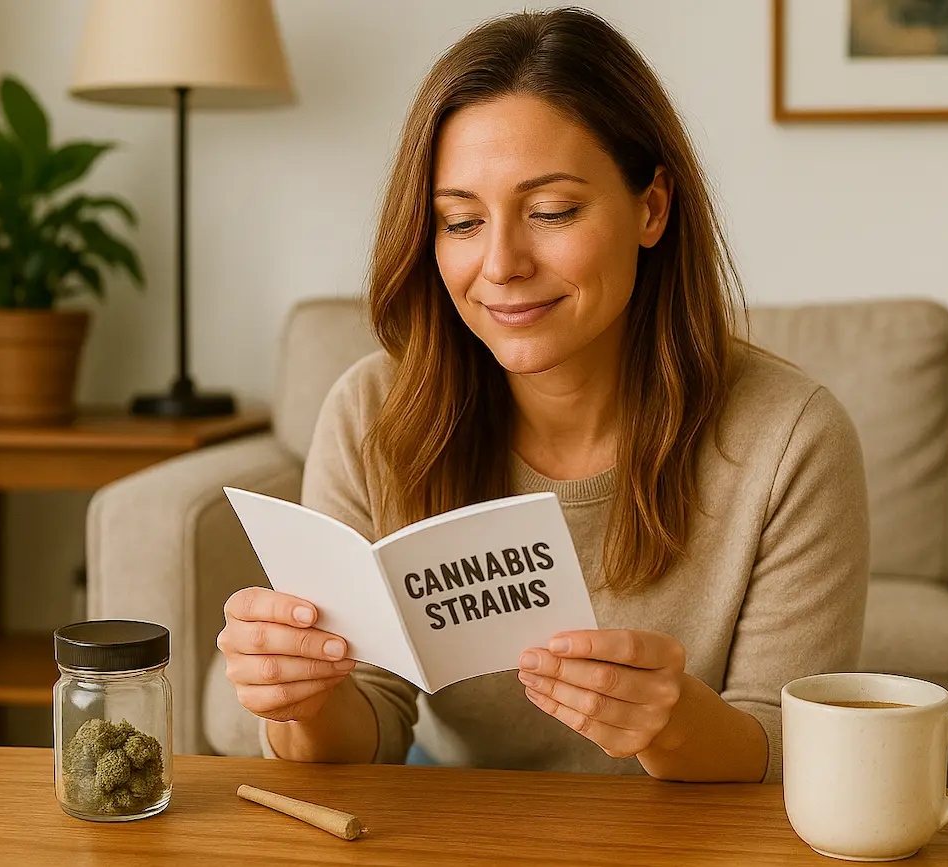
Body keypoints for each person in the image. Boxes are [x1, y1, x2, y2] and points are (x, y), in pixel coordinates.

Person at [217, 7, 869, 783]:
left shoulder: (790, 439)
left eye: (552, 211)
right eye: (460, 221)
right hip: (456, 820)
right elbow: (372, 727)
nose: (500, 264)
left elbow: (783, 750)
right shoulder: (372, 415)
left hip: (693, 833)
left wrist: (670, 720)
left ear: (652, 208)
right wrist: (301, 700)